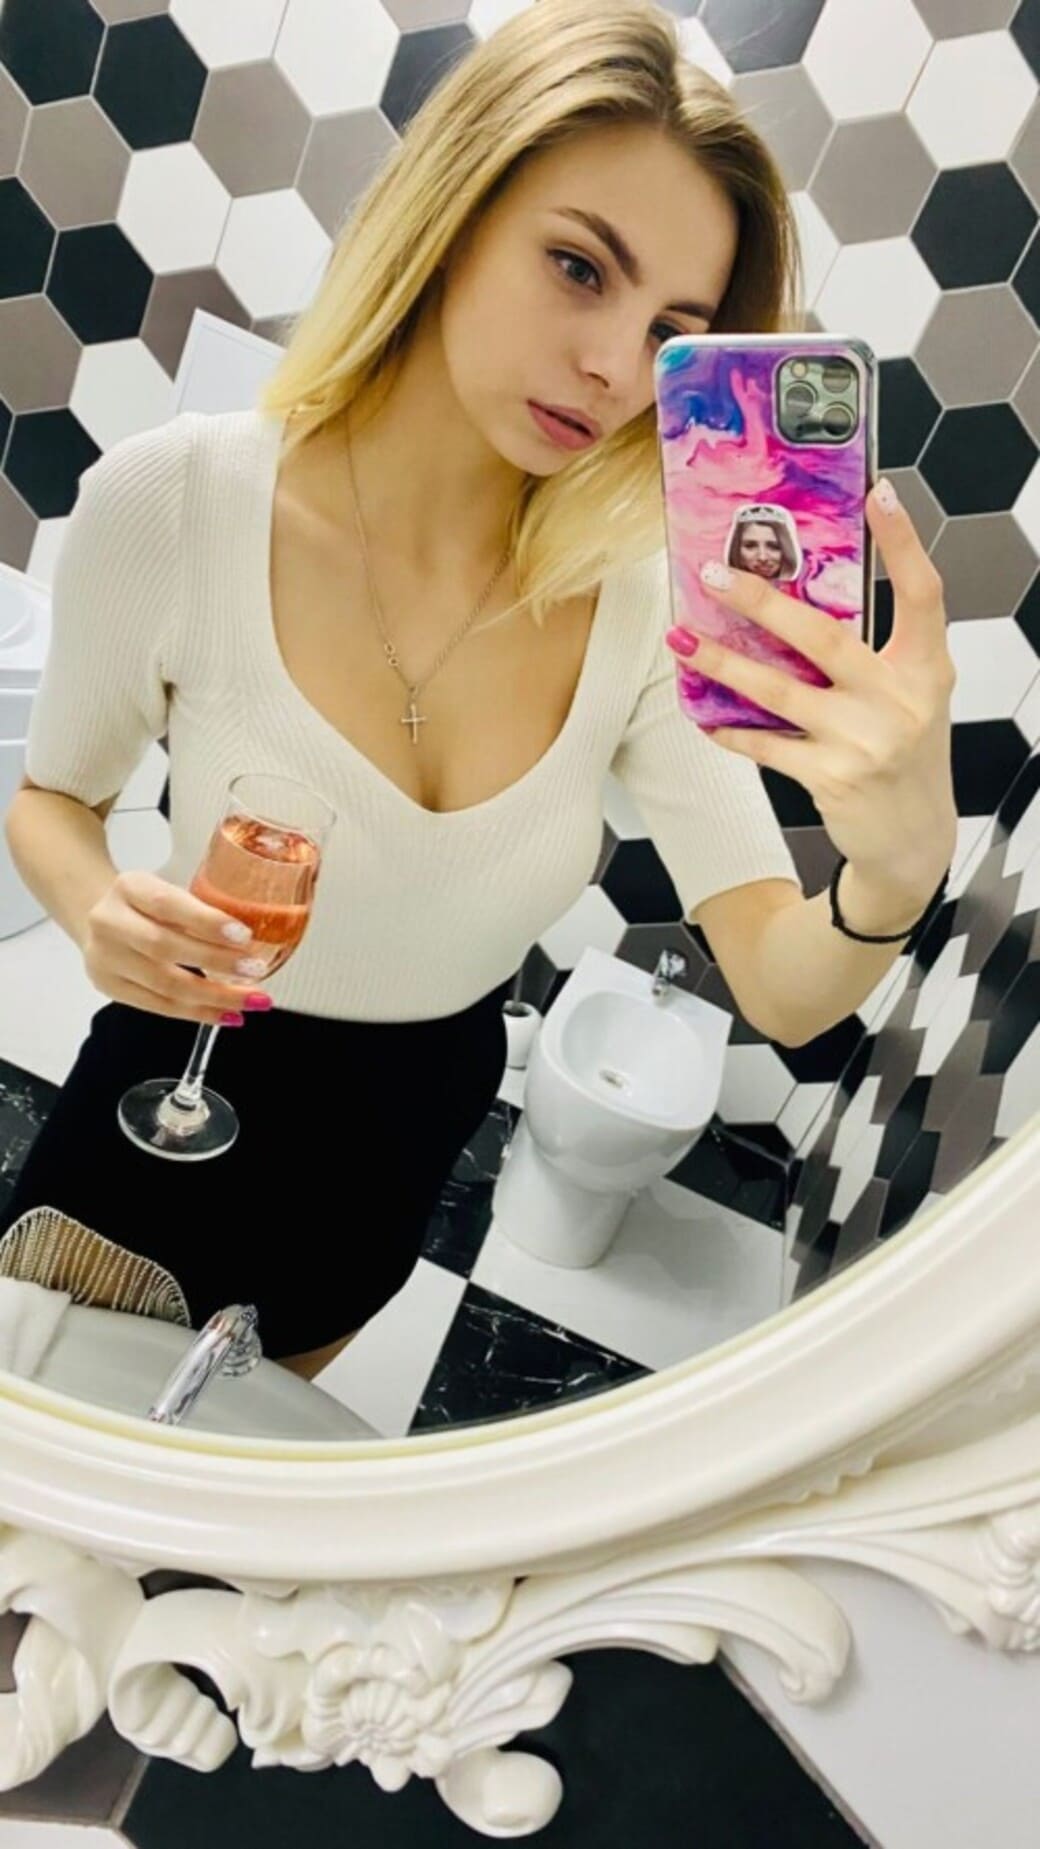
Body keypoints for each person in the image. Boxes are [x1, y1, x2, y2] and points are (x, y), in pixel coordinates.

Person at [1, 0, 811, 1380]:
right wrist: (95, 908)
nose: (614, 369)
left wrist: (896, 847)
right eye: (577, 267)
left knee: (255, 1462)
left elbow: (786, 983)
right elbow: (50, 800)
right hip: (177, 1081)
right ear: (453, 213)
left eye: (671, 333)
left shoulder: (637, 608)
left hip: (409, 1125)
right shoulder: (179, 497)